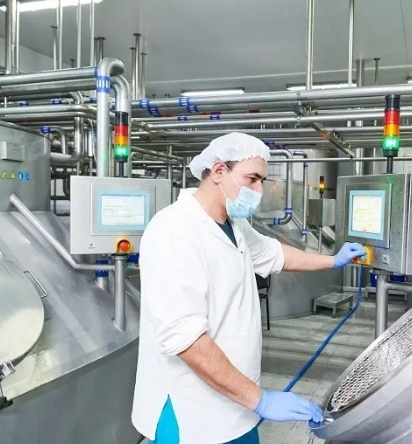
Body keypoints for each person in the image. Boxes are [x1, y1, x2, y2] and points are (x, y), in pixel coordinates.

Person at [132, 132, 366, 444]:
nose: (258, 191)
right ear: (218, 172)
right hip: (192, 412)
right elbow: (186, 341)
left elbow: (275, 253)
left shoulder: (234, 225)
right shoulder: (174, 231)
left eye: (261, 181)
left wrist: (332, 260)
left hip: (237, 402)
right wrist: (262, 401)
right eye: (252, 179)